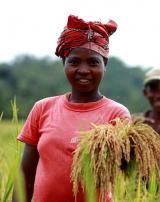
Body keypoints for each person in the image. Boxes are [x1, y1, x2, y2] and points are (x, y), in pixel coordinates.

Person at [13, 15, 131, 202]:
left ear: (104, 65)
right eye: (74, 62)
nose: (83, 70)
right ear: (64, 64)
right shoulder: (43, 108)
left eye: (93, 62)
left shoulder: (117, 113)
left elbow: (125, 167)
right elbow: (25, 174)